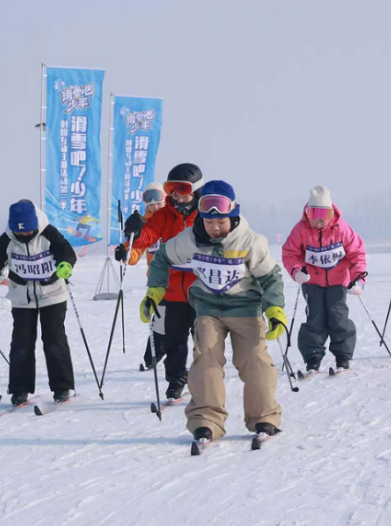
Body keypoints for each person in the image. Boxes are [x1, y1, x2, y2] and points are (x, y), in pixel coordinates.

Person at [145, 180, 286, 443]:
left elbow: (270, 278)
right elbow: (162, 258)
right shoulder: (190, 239)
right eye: (209, 222)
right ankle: (206, 421)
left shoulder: (250, 240)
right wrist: (155, 290)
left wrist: (275, 308)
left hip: (245, 307)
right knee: (205, 361)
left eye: (220, 221)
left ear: (232, 214)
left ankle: (263, 417)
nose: (214, 227)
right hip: (208, 308)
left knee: (255, 360)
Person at [115, 163, 204, 401]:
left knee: (204, 340)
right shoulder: (164, 215)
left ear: (195, 190)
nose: (177, 196)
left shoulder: (205, 214)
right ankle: (176, 381)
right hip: (170, 288)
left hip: (202, 289)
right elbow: (148, 236)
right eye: (172, 190)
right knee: (173, 340)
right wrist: (133, 232)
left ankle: (205, 379)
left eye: (182, 190)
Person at [0, 200, 77, 405]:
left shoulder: (49, 232)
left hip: (52, 294)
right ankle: (20, 390)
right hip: (22, 297)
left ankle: (62, 387)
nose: (24, 234)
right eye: (19, 231)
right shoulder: (7, 238)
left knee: (54, 341)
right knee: (21, 343)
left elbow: (66, 251)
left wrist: (65, 264)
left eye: (28, 230)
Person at [281, 186, 367, 374]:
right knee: (315, 318)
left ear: (332, 212)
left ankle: (343, 356)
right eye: (314, 213)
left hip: (338, 283)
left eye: (324, 213)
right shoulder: (301, 230)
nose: (319, 219)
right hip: (313, 284)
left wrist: (358, 279)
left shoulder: (341, 229)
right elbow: (289, 253)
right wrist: (296, 271)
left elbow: (357, 254)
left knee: (338, 317)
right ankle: (312, 358)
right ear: (307, 213)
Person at [122, 183, 168, 371]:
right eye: (151, 204)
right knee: (158, 318)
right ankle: (153, 357)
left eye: (158, 203)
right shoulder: (145, 225)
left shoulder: (173, 220)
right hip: (157, 280)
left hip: (181, 278)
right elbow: (135, 252)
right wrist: (125, 253)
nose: (155, 207)